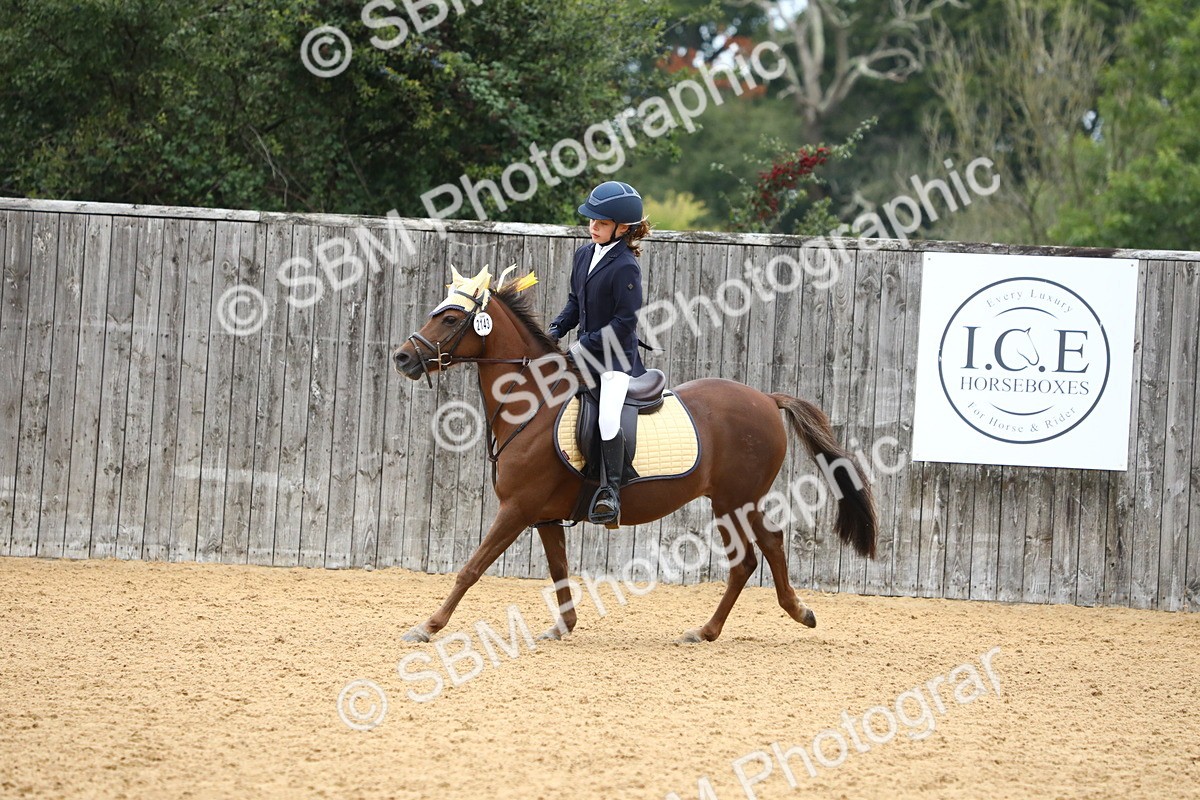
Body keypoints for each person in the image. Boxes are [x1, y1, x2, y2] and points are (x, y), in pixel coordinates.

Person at [547, 180, 651, 524]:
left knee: (607, 416)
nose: (593, 227)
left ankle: (611, 492)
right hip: (584, 355)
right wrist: (556, 330)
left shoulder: (625, 266)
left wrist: (582, 345)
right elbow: (575, 302)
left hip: (615, 360)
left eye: (602, 223)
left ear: (622, 228)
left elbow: (625, 321)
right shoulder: (583, 254)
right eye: (592, 220)